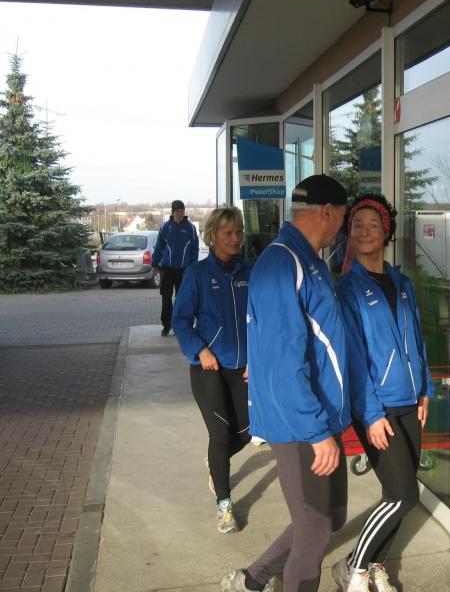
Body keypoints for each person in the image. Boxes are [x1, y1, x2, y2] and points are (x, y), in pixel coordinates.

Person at [218, 174, 350, 592]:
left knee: (332, 516)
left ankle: (253, 578)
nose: (343, 228)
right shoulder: (283, 264)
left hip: (321, 414)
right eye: (343, 217)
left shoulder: (309, 260)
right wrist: (316, 431)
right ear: (327, 213)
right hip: (300, 421)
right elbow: (282, 363)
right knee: (314, 526)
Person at [332, 193, 434, 592]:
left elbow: (418, 341)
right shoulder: (348, 288)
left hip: (410, 401)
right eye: (357, 225)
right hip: (379, 406)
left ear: (386, 231)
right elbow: (353, 357)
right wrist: (371, 414)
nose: (364, 232)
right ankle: (353, 567)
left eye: (372, 225)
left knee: (398, 495)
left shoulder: (402, 283)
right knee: (403, 495)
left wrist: (425, 388)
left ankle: (374, 565)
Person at [171, 206, 251, 534]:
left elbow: (261, 318)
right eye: (228, 233)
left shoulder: (249, 272)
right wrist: (200, 350)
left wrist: (257, 358)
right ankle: (225, 505)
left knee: (249, 431)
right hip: (209, 367)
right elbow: (180, 320)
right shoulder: (198, 273)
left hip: (243, 368)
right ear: (213, 235)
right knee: (219, 435)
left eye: (238, 232)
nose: (235, 238)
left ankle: (215, 460)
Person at [152, 199, 199, 336]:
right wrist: (155, 264)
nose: (180, 213)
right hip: (167, 268)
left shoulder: (190, 228)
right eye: (177, 211)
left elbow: (195, 249)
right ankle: (166, 325)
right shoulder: (165, 227)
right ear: (173, 212)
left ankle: (182, 325)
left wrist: (192, 267)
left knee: (182, 299)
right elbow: (159, 247)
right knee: (166, 298)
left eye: (182, 211)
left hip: (183, 270)